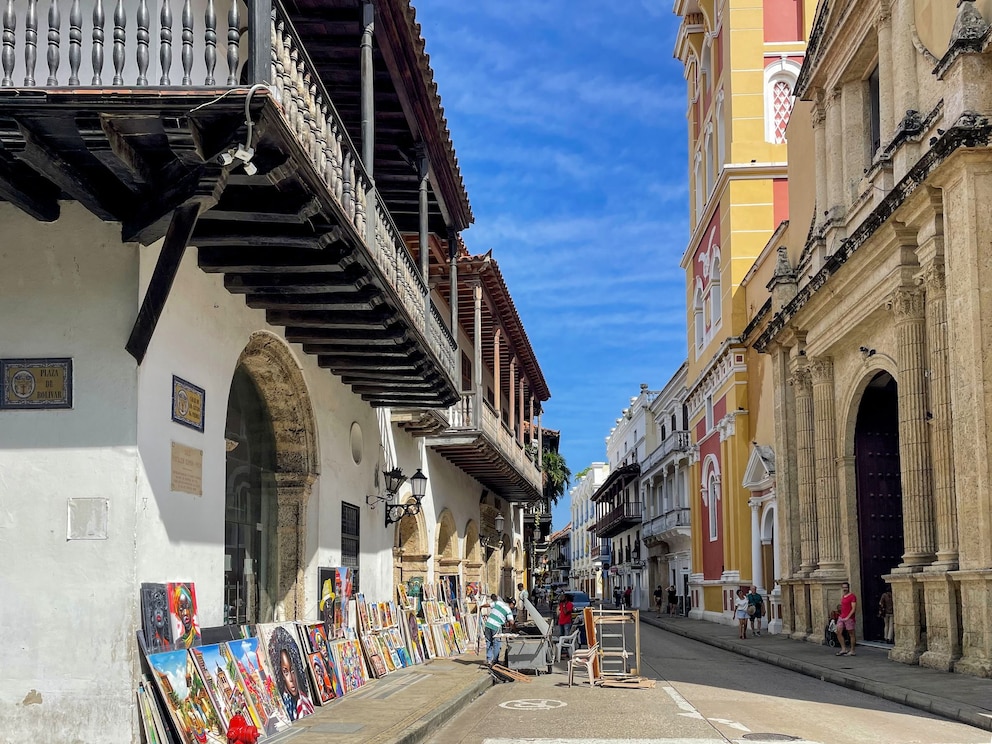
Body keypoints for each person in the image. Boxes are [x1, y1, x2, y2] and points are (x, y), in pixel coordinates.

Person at [483, 594, 514, 666]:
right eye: (513, 605)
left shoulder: (499, 603)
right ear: (511, 604)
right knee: (497, 644)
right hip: (496, 626)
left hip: (488, 624)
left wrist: (480, 607)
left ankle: (489, 660)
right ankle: (495, 660)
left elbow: (488, 605)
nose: (513, 607)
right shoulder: (508, 610)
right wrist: (514, 629)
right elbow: (511, 622)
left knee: (489, 642)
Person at [835, 581, 858, 656]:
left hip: (849, 618)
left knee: (851, 634)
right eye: (843, 587)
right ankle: (843, 649)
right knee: (838, 632)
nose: (845, 589)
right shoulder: (843, 596)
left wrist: (848, 617)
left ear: (848, 588)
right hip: (841, 617)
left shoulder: (852, 596)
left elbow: (853, 608)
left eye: (846, 587)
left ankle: (852, 650)